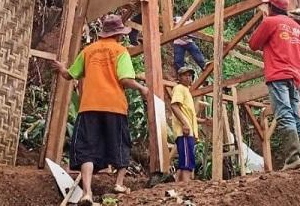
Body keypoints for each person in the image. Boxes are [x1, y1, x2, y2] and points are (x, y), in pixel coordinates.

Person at [52, 14, 149, 206]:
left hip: (89, 106)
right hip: (114, 106)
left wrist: (61, 67)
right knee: (121, 144)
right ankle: (119, 184)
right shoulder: (120, 50)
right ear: (119, 34)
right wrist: (142, 88)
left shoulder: (89, 51)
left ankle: (87, 192)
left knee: (87, 148)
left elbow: (70, 75)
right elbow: (125, 79)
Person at [249, 0, 300, 170]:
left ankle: (292, 158)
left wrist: (265, 20)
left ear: (271, 8)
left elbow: (253, 44)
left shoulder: (270, 22)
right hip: (296, 79)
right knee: (296, 117)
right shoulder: (299, 29)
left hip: (278, 76)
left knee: (284, 114)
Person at [170, 66, 199, 182]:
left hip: (187, 131)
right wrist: (185, 124)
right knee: (187, 161)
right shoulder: (179, 88)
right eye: (185, 75)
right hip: (184, 132)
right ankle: (186, 185)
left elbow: (186, 113)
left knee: (184, 159)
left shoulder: (186, 91)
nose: (188, 77)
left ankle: (178, 184)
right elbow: (174, 106)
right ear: (179, 77)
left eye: (190, 75)